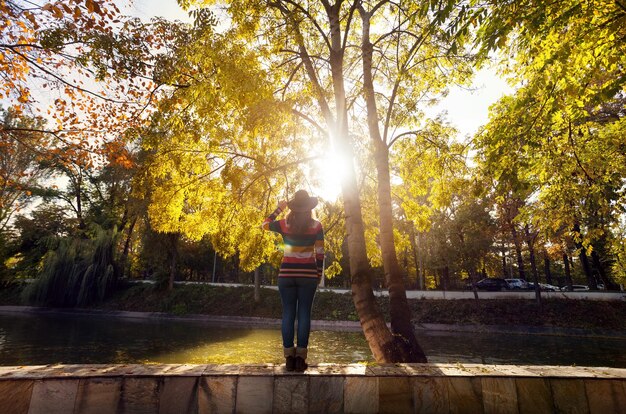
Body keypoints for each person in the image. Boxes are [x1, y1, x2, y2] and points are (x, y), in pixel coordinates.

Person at [262, 189, 324, 372]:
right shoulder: (316, 226)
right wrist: (317, 274)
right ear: (309, 207)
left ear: (293, 207)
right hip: (308, 277)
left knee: (288, 313)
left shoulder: (284, 224)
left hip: (286, 275)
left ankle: (289, 359)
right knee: (304, 314)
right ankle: (300, 360)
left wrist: (278, 209)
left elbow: (265, 224)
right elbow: (320, 254)